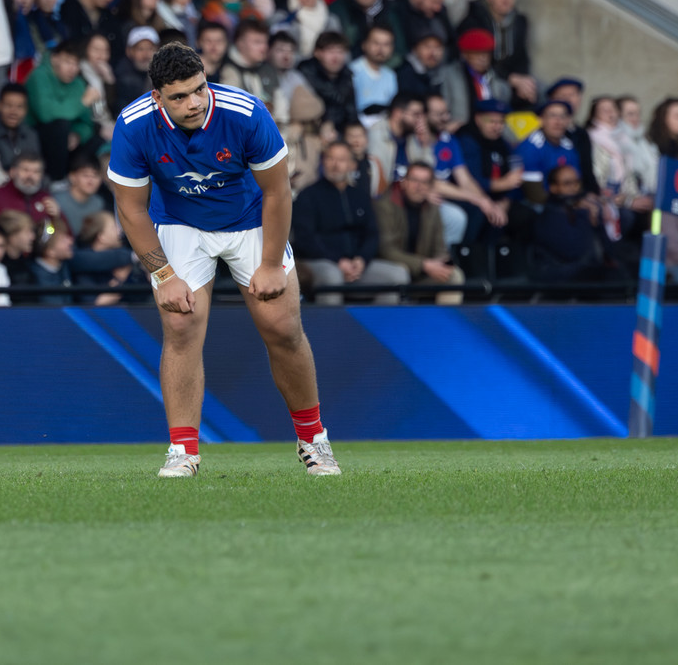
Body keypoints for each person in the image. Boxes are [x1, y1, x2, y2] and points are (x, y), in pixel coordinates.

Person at [107, 42, 338, 477]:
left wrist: (270, 265)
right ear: (157, 97)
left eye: (198, 89)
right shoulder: (133, 125)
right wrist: (163, 273)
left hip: (250, 218)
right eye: (178, 96)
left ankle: (314, 441)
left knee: (282, 325)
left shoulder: (246, 112)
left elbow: (277, 192)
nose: (193, 103)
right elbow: (131, 208)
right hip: (178, 220)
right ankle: (183, 451)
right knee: (180, 324)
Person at [292, 140, 409, 304]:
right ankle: (332, 329)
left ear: (352, 165)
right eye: (330, 158)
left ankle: (377, 328)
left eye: (341, 160)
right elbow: (306, 240)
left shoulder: (360, 196)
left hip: (356, 264)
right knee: (332, 276)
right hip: (320, 262)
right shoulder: (308, 196)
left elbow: (372, 234)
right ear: (323, 162)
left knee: (398, 275)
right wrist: (338, 261)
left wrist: (361, 259)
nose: (335, 165)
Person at [374, 161, 465, 300]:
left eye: (424, 182)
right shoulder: (385, 206)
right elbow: (386, 251)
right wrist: (423, 265)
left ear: (430, 186)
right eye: (414, 180)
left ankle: (442, 322)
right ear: (404, 182)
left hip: (420, 275)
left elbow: (439, 247)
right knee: (399, 273)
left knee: (454, 275)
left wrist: (440, 263)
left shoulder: (432, 209)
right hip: (392, 270)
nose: (419, 187)